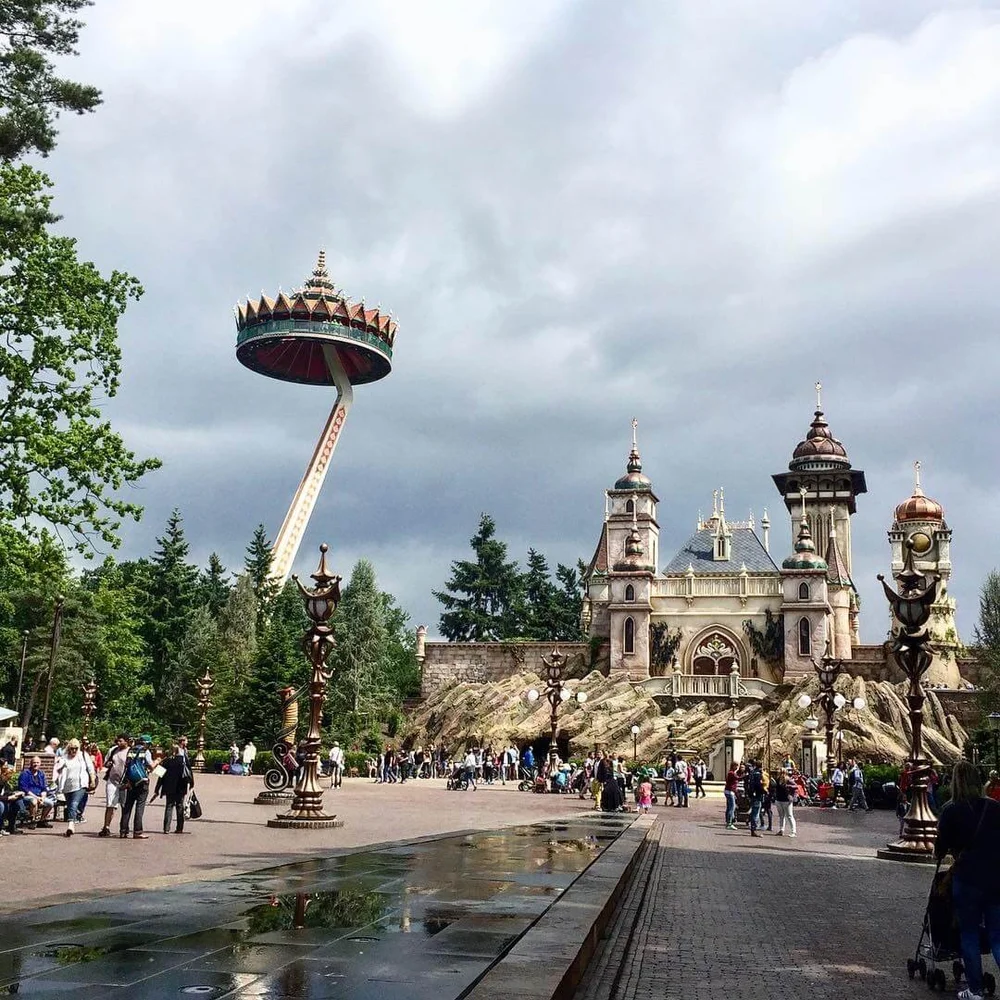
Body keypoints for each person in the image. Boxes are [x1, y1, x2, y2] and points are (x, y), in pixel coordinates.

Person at [934, 761, 1000, 1000]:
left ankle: (975, 990)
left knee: (969, 933)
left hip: (968, 878)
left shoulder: (951, 809)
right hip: (995, 877)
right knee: (997, 935)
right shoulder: (994, 808)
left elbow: (940, 846)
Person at [55, 739, 96, 837]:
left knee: (74, 803)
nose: (74, 750)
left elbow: (90, 768)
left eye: (76, 748)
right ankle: (72, 820)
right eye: (72, 748)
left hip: (80, 784)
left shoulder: (83, 756)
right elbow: (57, 770)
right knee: (70, 806)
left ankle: (71, 825)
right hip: (67, 786)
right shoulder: (64, 758)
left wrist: (93, 780)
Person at [151, 744, 194, 833]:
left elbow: (160, 777)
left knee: (169, 806)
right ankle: (179, 828)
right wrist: (191, 784)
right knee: (179, 806)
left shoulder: (165, 761)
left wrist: (157, 790)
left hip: (168, 787)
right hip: (181, 786)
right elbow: (189, 772)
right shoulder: (183, 760)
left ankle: (166, 828)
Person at [120, 735, 153, 839]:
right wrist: (158, 762)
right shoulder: (145, 751)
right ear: (146, 743)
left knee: (128, 807)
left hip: (131, 781)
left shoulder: (130, 750)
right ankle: (137, 831)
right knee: (140, 807)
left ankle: (123, 831)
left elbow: (127, 765)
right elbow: (151, 766)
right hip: (142, 782)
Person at [18, 756, 55, 828]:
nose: (36, 764)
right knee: (34, 801)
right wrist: (37, 798)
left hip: (39, 796)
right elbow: (24, 788)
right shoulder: (25, 774)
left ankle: (42, 820)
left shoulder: (41, 774)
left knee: (50, 803)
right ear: (31, 764)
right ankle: (32, 821)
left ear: (40, 764)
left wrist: (43, 798)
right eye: (34, 762)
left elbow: (44, 788)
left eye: (37, 762)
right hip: (27, 796)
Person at [0, 763, 26, 834]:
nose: (10, 777)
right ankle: (1, 827)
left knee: (17, 801)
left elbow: (7, 792)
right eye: (9, 775)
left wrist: (16, 793)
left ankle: (11, 827)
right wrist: (9, 797)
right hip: (2, 800)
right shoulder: (1, 781)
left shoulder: (6, 782)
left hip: (4, 799)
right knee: (2, 806)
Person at [773, 770, 797, 837]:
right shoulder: (777, 779)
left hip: (786, 800)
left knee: (789, 816)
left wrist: (789, 786)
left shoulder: (788, 779)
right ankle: (781, 830)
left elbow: (796, 786)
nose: (779, 773)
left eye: (781, 772)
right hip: (779, 799)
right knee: (781, 816)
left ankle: (793, 831)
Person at [746, 761, 765, 838]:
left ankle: (752, 827)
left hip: (752, 795)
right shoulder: (758, 774)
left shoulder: (752, 773)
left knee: (754, 811)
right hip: (757, 795)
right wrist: (764, 791)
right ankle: (754, 830)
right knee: (756, 813)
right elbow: (758, 785)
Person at [724, 762, 738, 830]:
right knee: (732, 807)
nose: (737, 767)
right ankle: (729, 823)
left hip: (729, 791)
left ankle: (728, 822)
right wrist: (745, 775)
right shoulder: (731, 773)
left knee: (729, 807)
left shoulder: (731, 773)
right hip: (730, 791)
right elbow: (738, 778)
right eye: (736, 766)